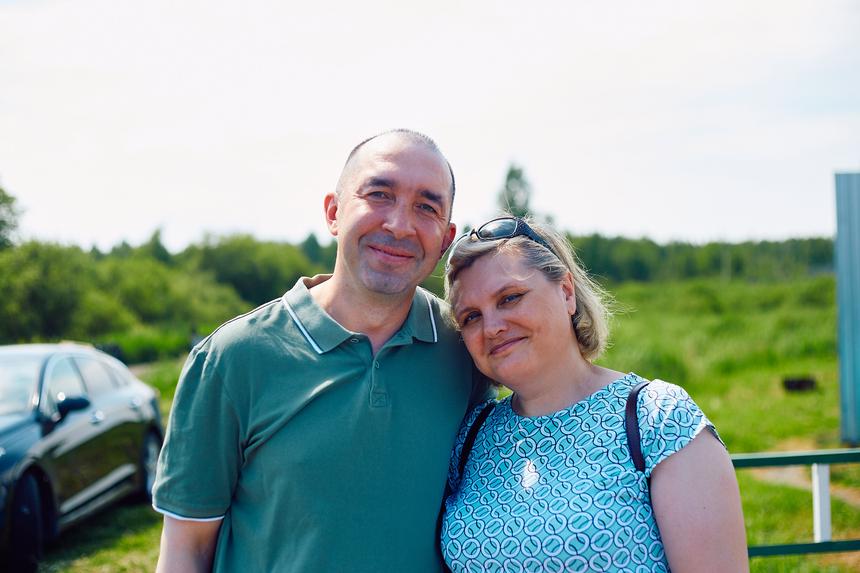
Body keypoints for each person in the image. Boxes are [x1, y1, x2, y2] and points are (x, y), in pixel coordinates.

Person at [152, 129, 486, 572]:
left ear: (446, 239)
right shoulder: (232, 359)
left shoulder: (468, 349)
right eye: (379, 194)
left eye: (426, 207)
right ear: (333, 212)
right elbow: (185, 552)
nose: (400, 225)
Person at [440, 215, 749, 572]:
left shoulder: (657, 418)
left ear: (566, 292)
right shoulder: (473, 436)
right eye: (471, 317)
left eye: (510, 298)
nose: (492, 327)